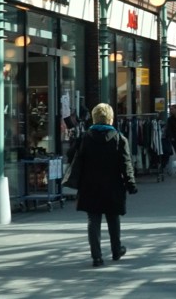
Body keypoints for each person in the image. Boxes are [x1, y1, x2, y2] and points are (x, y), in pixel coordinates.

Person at [68, 104, 137, 267]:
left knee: (93, 220)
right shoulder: (119, 138)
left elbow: (72, 156)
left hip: (89, 185)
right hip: (112, 184)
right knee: (113, 217)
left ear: (94, 118)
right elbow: (125, 163)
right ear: (110, 119)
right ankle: (116, 250)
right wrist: (131, 183)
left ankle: (96, 257)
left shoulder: (85, 138)